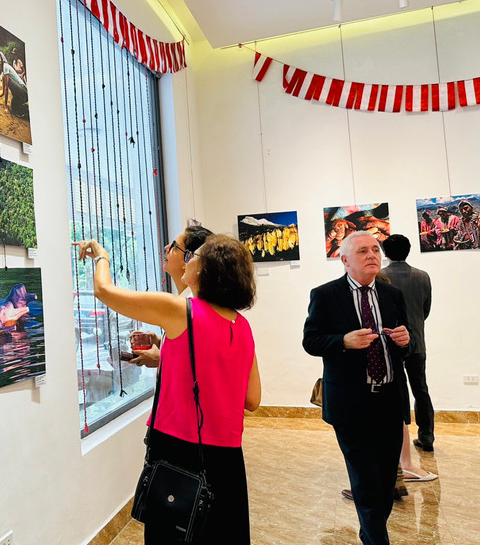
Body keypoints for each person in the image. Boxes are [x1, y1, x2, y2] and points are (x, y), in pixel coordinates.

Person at [74, 234, 261, 544]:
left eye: (194, 255)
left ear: (206, 269)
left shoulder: (180, 310)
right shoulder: (241, 326)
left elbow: (104, 290)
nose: (187, 259)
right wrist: (172, 358)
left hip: (178, 449)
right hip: (227, 458)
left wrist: (102, 256)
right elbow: (252, 399)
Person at [303, 231, 411, 545]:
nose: (372, 255)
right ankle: (377, 539)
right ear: (346, 260)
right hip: (351, 404)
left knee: (386, 481)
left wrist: (406, 341)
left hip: (389, 400)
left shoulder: (393, 295)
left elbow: (403, 346)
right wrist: (343, 342)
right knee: (365, 482)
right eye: (363, 251)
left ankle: (371, 530)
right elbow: (311, 341)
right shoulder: (325, 295)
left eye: (375, 249)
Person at [129, 225, 213, 368]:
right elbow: (187, 349)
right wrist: (158, 341)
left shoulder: (193, 306)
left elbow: (205, 362)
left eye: (174, 246)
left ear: (189, 259)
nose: (166, 247)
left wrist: (161, 359)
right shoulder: (186, 299)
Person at [382, 234, 436, 453]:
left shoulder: (380, 276)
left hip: (390, 342)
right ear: (409, 250)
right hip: (417, 342)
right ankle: (427, 437)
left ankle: (396, 439)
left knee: (394, 390)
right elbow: (425, 310)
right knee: (420, 389)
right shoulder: (423, 276)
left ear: (385, 252)